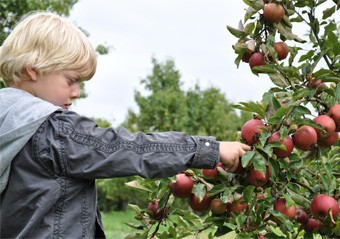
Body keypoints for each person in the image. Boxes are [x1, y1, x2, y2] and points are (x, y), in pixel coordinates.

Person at [0, 11, 250, 238]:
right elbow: (128, 148)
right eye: (71, 80)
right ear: (32, 70)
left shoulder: (8, 124)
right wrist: (208, 149)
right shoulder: (56, 132)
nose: (76, 93)